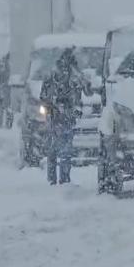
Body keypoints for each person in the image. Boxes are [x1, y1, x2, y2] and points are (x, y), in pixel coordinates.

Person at [39, 48, 91, 185]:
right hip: (59, 118)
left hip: (60, 119)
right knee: (62, 150)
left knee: (57, 150)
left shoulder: (70, 78)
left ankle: (57, 179)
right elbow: (45, 96)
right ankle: (61, 179)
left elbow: (81, 96)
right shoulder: (66, 77)